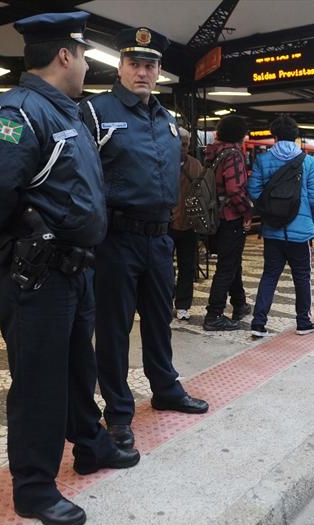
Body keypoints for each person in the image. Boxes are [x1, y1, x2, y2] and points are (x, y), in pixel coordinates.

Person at [0, 13, 139, 525]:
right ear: (66, 55)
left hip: (74, 268)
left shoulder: (69, 113)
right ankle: (34, 488)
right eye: (84, 55)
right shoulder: (17, 113)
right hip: (34, 273)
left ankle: (90, 445)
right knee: (38, 380)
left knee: (77, 366)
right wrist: (15, 243)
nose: (85, 65)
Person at [80, 26, 209, 454]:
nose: (142, 71)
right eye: (134, 63)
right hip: (115, 239)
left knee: (159, 320)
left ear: (159, 72)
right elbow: (80, 178)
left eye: (150, 65)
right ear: (119, 66)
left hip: (159, 238)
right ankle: (118, 412)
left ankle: (166, 388)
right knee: (114, 330)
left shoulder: (167, 120)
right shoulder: (95, 113)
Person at [248, 116, 314, 337]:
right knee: (302, 276)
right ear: (296, 136)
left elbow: (254, 191)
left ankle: (258, 323)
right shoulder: (308, 161)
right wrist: (312, 218)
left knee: (269, 275)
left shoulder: (263, 160)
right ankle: (303, 322)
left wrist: (270, 211)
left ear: (275, 136)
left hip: (273, 230)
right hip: (300, 234)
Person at [202, 115, 253, 331]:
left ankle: (239, 304)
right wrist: (248, 212)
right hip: (229, 218)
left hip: (214, 217)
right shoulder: (233, 154)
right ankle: (214, 314)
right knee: (226, 267)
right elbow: (234, 190)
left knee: (232, 262)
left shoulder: (213, 153)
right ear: (239, 134)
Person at [169, 127, 202, 321]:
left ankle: (183, 305)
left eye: (187, 144)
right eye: (181, 144)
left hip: (189, 224)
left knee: (187, 266)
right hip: (167, 223)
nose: (184, 147)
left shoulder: (195, 165)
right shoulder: (164, 163)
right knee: (165, 267)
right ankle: (166, 301)